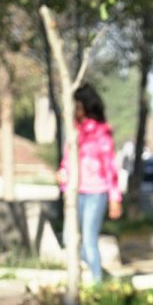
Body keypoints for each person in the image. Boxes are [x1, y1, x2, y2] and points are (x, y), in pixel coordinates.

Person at [57, 84, 123, 283]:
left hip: (96, 192)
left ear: (85, 106)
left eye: (76, 106)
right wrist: (62, 178)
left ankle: (97, 283)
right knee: (69, 238)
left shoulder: (102, 132)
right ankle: (98, 273)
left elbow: (110, 167)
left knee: (88, 240)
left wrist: (115, 198)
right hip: (76, 192)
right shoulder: (73, 131)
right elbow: (67, 161)